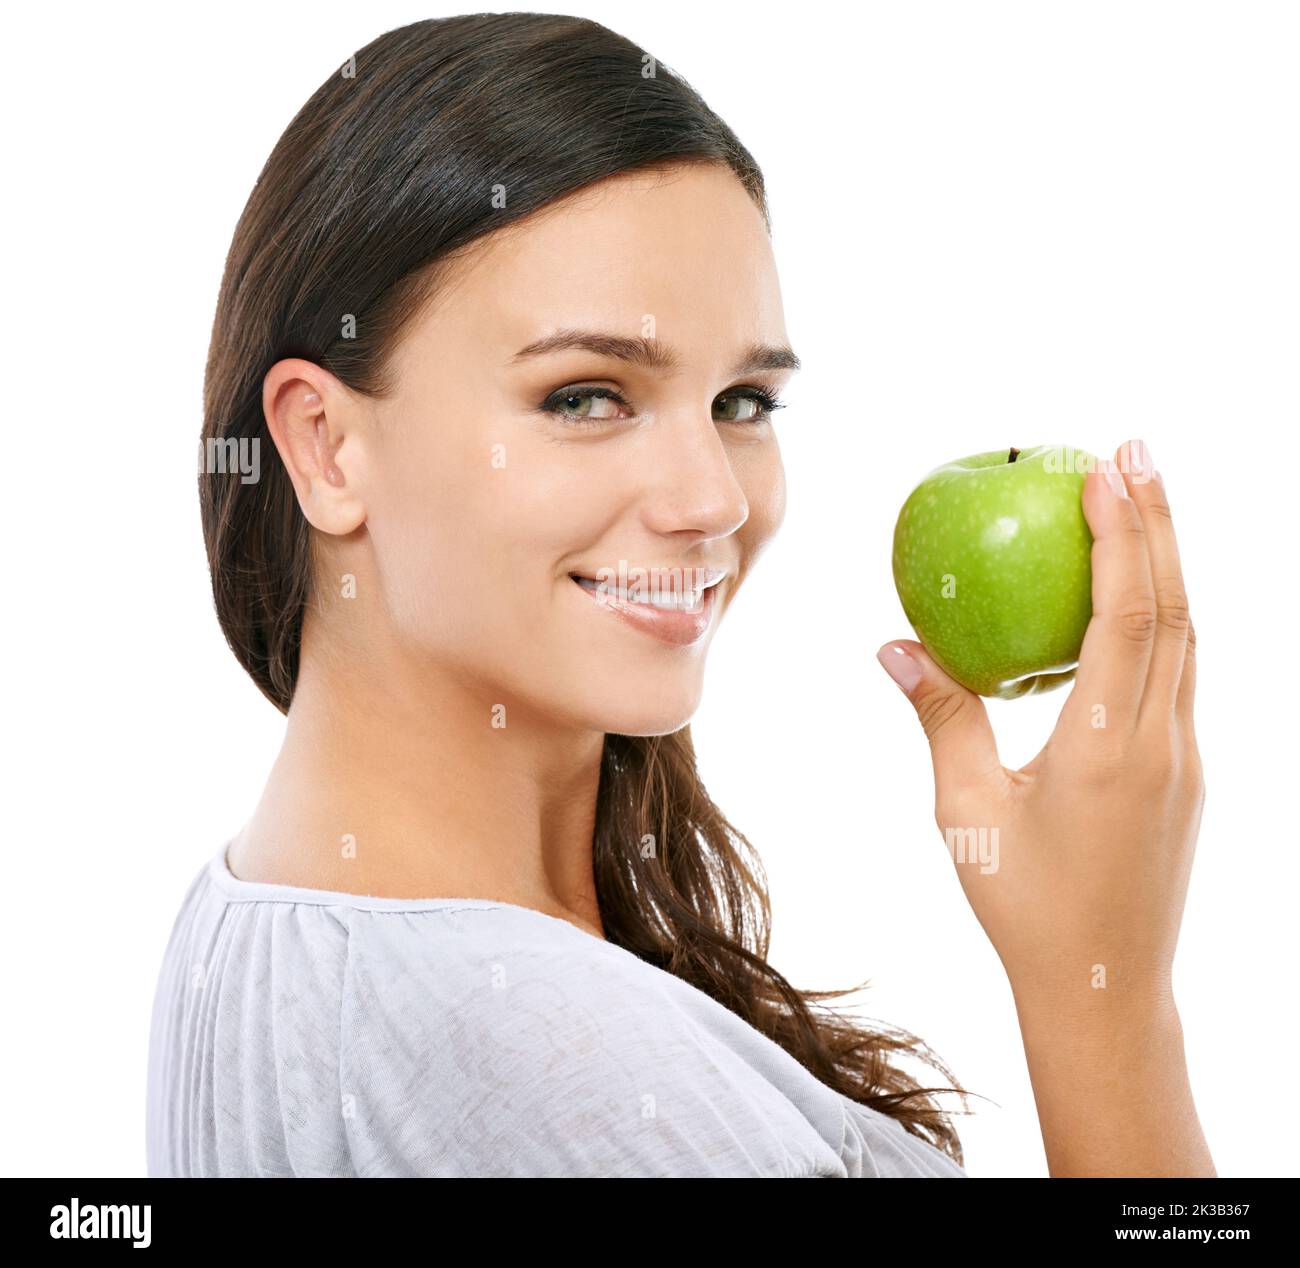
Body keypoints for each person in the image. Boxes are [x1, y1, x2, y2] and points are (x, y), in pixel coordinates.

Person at [146, 13, 1212, 1178]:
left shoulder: (253, 916)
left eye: (743, 401)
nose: (710, 498)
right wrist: (1103, 998)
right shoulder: (561, 1062)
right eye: (585, 395)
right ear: (325, 446)